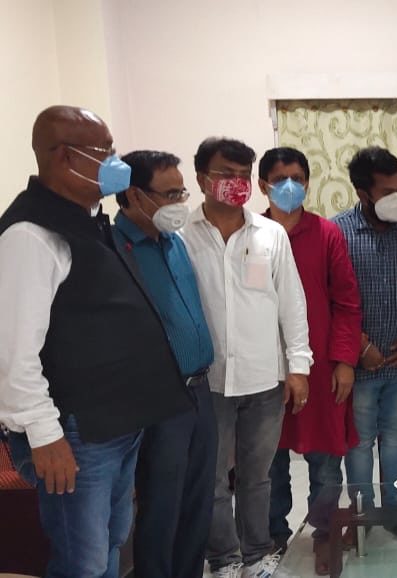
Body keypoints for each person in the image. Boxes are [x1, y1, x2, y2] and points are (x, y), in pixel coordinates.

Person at [0, 106, 190, 577]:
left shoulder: (86, 219)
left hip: (116, 424)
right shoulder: (30, 235)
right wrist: (45, 436)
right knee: (81, 561)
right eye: (104, 151)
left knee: (110, 542)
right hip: (75, 434)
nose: (115, 161)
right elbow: (13, 353)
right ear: (66, 156)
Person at [182, 137, 313, 578]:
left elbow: (291, 304)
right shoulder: (181, 238)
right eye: (226, 174)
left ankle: (257, 554)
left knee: (258, 475)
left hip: (264, 378)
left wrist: (298, 367)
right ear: (202, 178)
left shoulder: (270, 235)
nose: (236, 183)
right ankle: (224, 559)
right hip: (208, 380)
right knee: (214, 479)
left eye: (243, 175)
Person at [112, 151, 216, 578]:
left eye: (181, 193)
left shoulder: (174, 242)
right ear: (135, 195)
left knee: (198, 502)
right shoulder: (114, 250)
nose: (178, 203)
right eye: (169, 194)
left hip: (199, 389)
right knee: (162, 506)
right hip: (159, 396)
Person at [257, 147, 361, 566]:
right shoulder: (250, 237)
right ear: (262, 185)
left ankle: (324, 534)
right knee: (267, 463)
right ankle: (272, 538)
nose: (289, 186)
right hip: (265, 371)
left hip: (320, 371)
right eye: (280, 178)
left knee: (325, 462)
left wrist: (345, 361)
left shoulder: (327, 234)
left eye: (297, 178)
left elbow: (347, 304)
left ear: (307, 183)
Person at [334, 146, 397, 546]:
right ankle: (362, 516)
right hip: (357, 367)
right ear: (362, 193)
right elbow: (328, 298)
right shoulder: (338, 231)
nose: (396, 197)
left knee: (396, 439)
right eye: (386, 192)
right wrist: (361, 347)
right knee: (359, 444)